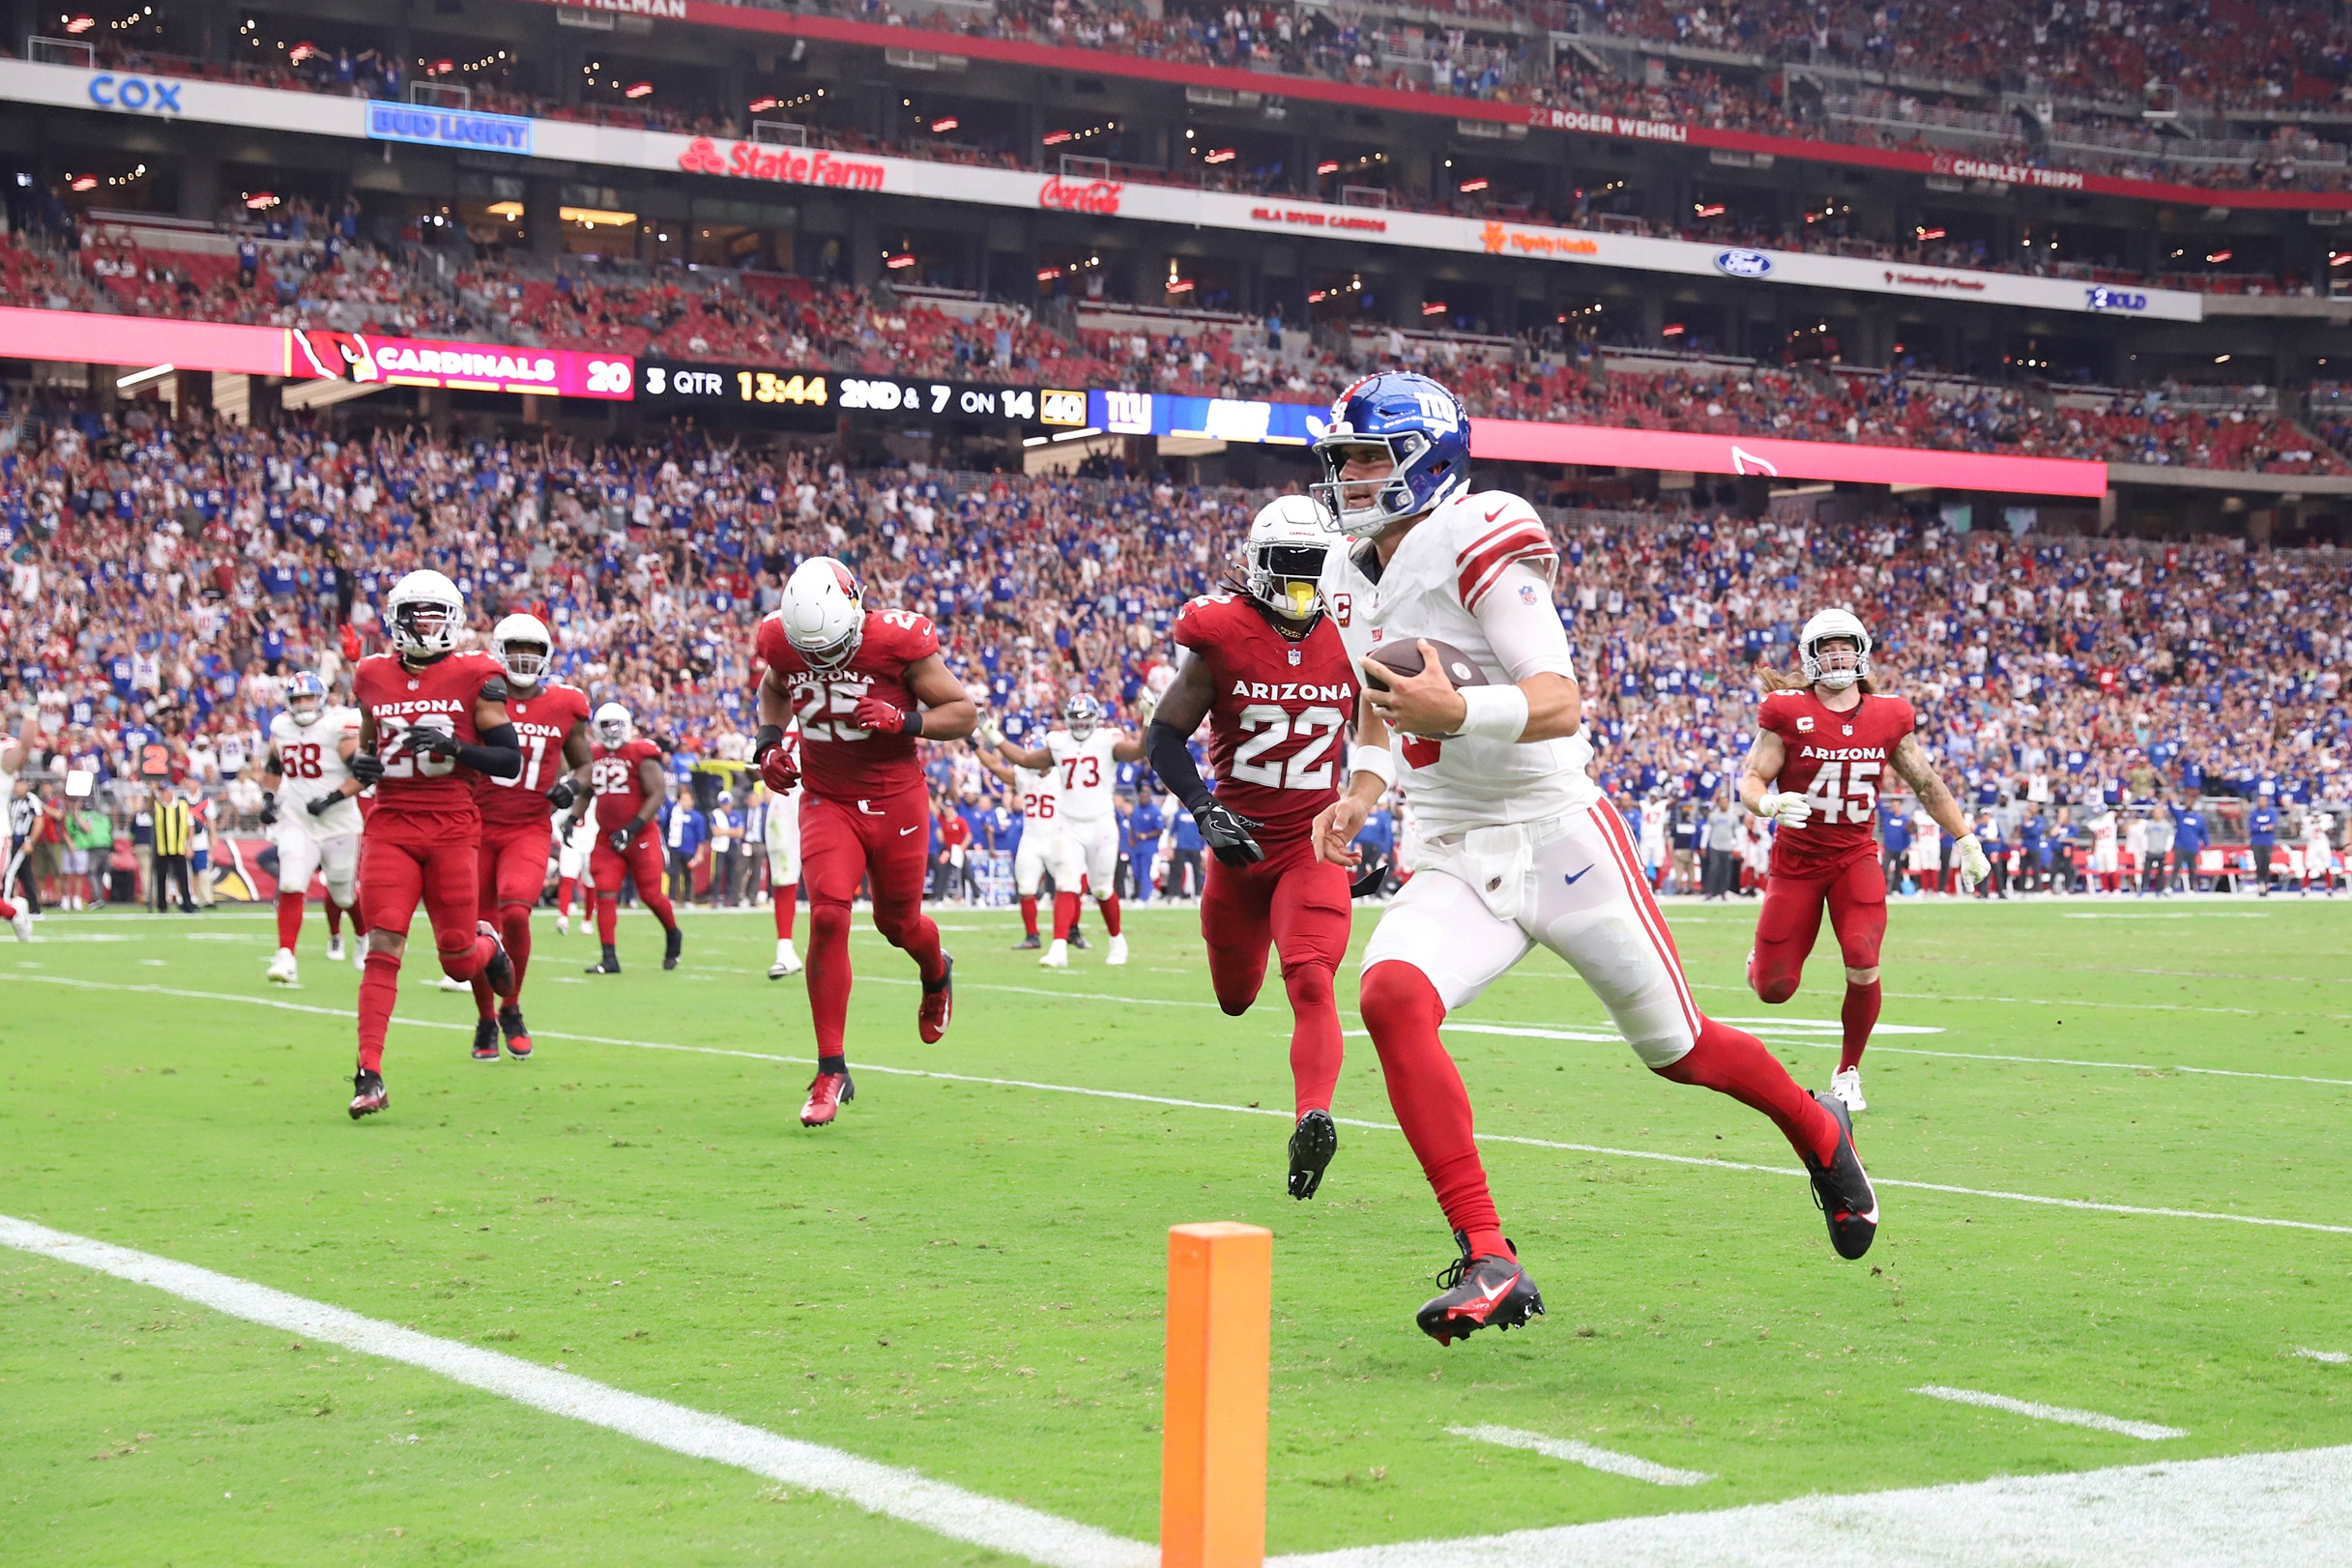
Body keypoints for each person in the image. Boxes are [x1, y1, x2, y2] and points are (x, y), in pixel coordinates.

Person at [1308, 370, 1878, 1346]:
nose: (1352, 474)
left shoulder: (1480, 530)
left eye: (1369, 454)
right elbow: (1376, 693)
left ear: (1426, 457)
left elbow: (1560, 697)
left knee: (1681, 1049)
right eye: (1346, 456)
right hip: (1452, 842)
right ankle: (1491, 1253)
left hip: (1557, 828)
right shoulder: (1344, 571)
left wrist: (1458, 712)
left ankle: (1820, 1129)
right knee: (1392, 995)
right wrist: (1364, 786)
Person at [1146, 494, 1363, 1200]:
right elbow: (1162, 736)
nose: (1302, 580)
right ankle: (1311, 1107)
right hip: (1236, 847)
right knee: (1235, 999)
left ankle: (1314, 1116)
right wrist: (1205, 811)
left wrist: (1360, 808)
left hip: (1310, 845)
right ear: (1259, 566)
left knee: (1311, 979)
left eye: (1314, 566)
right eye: (1290, 566)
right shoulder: (1222, 632)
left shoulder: (1356, 634)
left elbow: (1388, 737)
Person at [752, 557, 976, 1127]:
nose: (822, 662)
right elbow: (774, 688)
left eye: (832, 648)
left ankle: (935, 969)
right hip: (828, 798)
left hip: (896, 797)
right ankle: (831, 1069)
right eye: (812, 652)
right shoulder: (782, 640)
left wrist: (904, 722)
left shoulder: (894, 641)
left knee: (898, 925)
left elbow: (963, 712)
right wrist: (769, 746)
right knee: (827, 914)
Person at [1738, 608, 1988, 1115]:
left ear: (1861, 651)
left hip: (1855, 856)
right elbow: (1751, 778)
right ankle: (1758, 962)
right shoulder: (1786, 711)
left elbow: (1926, 783)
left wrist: (1966, 840)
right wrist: (1767, 804)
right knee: (1774, 989)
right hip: (1797, 862)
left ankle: (1848, 1069)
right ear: (1810, 656)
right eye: (1826, 647)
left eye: (1844, 645)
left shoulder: (1888, 714)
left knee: (1862, 955)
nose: (1836, 655)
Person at [345, 569, 521, 1118]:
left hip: (451, 824)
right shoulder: (372, 674)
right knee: (384, 944)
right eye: (413, 613)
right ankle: (369, 1074)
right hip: (391, 823)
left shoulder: (477, 674)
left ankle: (487, 945)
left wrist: (455, 746)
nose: (423, 623)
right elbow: (368, 748)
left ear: (452, 619)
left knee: (457, 962)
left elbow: (509, 761)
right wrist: (363, 765)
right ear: (396, 620)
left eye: (433, 613)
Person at [469, 614, 592, 1061]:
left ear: (547, 655)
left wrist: (571, 787)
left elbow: (584, 765)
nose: (524, 656)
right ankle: (484, 1019)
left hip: (528, 826)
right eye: (516, 646)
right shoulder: (478, 694)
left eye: (534, 649)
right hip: (475, 825)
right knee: (479, 930)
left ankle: (511, 1006)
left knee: (516, 914)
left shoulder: (564, 703)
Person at [992, 693, 1147, 969]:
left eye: (1085, 718)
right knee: (1065, 883)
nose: (1080, 724)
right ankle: (1058, 947)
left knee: (1101, 889)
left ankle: (1116, 939)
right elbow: (1027, 760)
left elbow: (1138, 751)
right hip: (1068, 822)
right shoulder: (1058, 742)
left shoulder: (1106, 740)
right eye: (1075, 718)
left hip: (1100, 823)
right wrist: (994, 738)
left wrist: (1148, 719)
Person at [261, 670, 366, 985]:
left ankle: (362, 934)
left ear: (320, 700)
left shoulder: (338, 725)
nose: (304, 704)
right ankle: (285, 956)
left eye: (309, 697)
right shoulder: (281, 726)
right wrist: (268, 798)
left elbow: (363, 773)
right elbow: (273, 765)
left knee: (343, 894)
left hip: (339, 822)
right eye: (298, 699)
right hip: (298, 818)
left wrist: (331, 798)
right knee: (291, 882)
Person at [583, 702, 682, 975]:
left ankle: (673, 934)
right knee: (604, 891)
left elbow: (657, 793)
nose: (612, 731)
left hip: (640, 835)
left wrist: (632, 826)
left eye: (616, 725)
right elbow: (587, 792)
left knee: (650, 894)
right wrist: (571, 818)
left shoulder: (641, 752)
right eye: (606, 725)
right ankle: (609, 957)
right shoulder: (594, 754)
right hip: (607, 837)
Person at [973, 734, 1062, 948]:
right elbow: (996, 767)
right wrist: (975, 747)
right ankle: (1032, 936)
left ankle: (1072, 931)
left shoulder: (1062, 774)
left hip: (1056, 836)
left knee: (1069, 886)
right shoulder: (1023, 774)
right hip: (1031, 838)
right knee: (1025, 887)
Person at [759, 739, 804, 977]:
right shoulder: (773, 703)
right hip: (787, 796)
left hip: (826, 790)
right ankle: (785, 950)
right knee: (783, 874)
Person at [0, 707, 38, 939]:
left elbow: (24, 747)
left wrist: (31, 714)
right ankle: (13, 911)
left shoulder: (5, 749)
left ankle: (14, 912)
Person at [151, 781, 196, 913]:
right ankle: (162, 904)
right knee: (161, 877)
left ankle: (187, 903)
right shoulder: (157, 806)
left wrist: (189, 845)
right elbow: (149, 807)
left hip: (178, 847)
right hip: (162, 847)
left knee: (182, 877)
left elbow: (190, 826)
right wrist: (152, 793)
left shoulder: (182, 806)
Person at [552, 806, 597, 936]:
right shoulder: (574, 801)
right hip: (572, 845)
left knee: (591, 884)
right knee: (567, 879)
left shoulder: (596, 801)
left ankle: (587, 921)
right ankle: (563, 917)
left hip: (592, 845)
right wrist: (561, 839)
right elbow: (554, 820)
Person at [2248, 800, 2279, 895]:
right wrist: (2264, 828)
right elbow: (2252, 827)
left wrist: (2259, 827)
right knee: (2258, 863)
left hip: (2268, 842)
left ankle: (2266, 884)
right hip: (2256, 842)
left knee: (2266, 863)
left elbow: (2273, 825)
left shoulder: (2272, 812)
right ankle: (2259, 884)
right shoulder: (2254, 813)